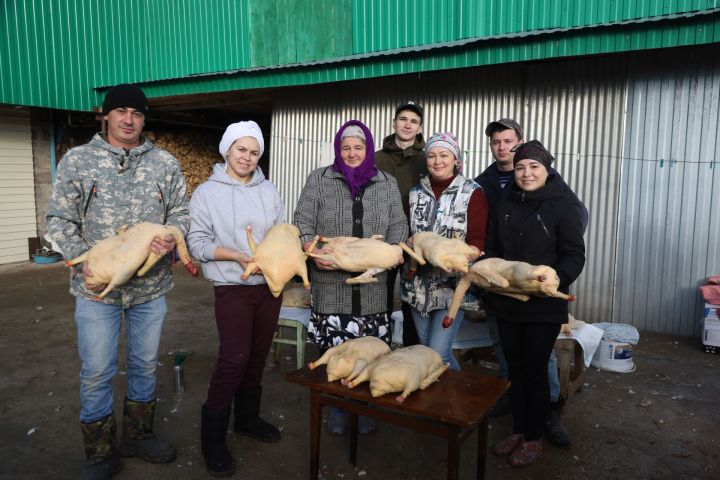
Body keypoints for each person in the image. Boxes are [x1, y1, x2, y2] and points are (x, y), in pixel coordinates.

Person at [46, 84, 188, 480]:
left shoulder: (165, 163)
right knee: (97, 370)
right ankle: (100, 451)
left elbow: (180, 213)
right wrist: (82, 263)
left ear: (144, 118)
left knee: (144, 364)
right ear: (105, 115)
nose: (129, 120)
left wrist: (169, 237)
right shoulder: (78, 161)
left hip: (150, 288)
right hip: (96, 289)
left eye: (137, 113)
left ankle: (138, 436)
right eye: (121, 111)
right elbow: (58, 221)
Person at [475, 118, 587, 447]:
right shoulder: (504, 206)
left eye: (534, 166)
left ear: (546, 170)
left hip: (544, 304)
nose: (526, 173)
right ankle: (519, 430)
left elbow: (573, 254)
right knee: (515, 368)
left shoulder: (562, 206)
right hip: (507, 301)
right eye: (521, 167)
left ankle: (536, 435)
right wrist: (488, 275)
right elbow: (492, 250)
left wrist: (557, 279)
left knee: (536, 369)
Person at [294, 119, 408, 435]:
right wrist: (310, 247)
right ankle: (338, 410)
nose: (352, 152)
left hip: (373, 288)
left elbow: (399, 224)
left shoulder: (386, 182)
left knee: (370, 352)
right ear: (338, 150)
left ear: (368, 149)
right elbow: (302, 219)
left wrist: (393, 251)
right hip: (331, 285)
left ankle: (365, 409)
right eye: (346, 147)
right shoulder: (319, 179)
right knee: (336, 354)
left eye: (359, 147)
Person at [186, 121, 285, 477]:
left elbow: (281, 235)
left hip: (269, 288)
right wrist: (237, 256)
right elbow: (197, 243)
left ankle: (246, 420)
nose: (247, 157)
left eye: (254, 151)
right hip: (232, 288)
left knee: (258, 356)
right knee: (234, 358)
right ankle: (212, 440)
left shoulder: (269, 190)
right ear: (227, 149)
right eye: (241, 149)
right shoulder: (206, 194)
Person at [400, 132, 488, 370]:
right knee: (426, 350)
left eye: (444, 155)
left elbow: (478, 239)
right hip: (417, 287)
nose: (437, 161)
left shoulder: (472, 192)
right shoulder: (415, 193)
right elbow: (406, 232)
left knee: (439, 354)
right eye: (432, 155)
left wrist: (462, 257)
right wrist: (408, 244)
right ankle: (439, 404)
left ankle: (457, 405)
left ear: (455, 159)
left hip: (452, 287)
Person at [375, 101, 428, 347]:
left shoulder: (429, 159)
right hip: (381, 238)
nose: (407, 125)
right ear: (394, 123)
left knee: (412, 299)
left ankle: (411, 353)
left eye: (414, 121)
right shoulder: (376, 158)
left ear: (419, 128)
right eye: (403, 119)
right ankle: (377, 346)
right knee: (379, 294)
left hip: (415, 240)